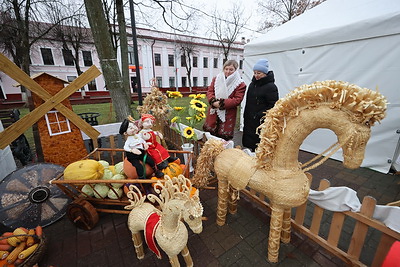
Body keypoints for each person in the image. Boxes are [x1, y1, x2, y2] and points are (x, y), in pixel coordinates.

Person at [203, 59, 246, 140]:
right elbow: (210, 91)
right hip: (214, 111)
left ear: (235, 70)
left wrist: (221, 104)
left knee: (223, 141)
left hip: (228, 114)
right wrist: (213, 101)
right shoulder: (216, 79)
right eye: (226, 69)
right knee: (210, 138)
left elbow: (237, 99)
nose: (228, 71)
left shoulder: (240, 84)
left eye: (231, 69)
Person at [242, 58, 279, 151]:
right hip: (249, 119)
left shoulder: (271, 87)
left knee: (259, 145)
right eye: (255, 72)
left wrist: (259, 115)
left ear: (265, 73)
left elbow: (273, 105)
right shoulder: (252, 84)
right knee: (249, 144)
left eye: (259, 73)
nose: (256, 75)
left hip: (260, 121)